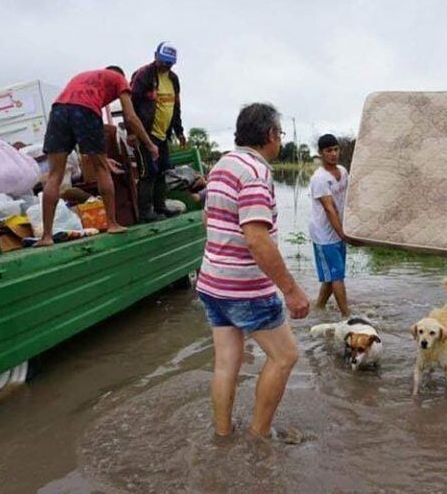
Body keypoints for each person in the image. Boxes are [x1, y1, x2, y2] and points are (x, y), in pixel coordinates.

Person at [196, 103, 310, 439]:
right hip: (244, 289)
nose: (280, 141)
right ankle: (259, 438)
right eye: (280, 134)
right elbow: (257, 239)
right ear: (271, 135)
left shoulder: (221, 166)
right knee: (285, 356)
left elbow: (208, 218)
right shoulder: (256, 172)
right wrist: (291, 290)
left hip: (212, 283)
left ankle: (223, 434)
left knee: (226, 362)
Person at [37, 66, 158, 247]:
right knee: (101, 169)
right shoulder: (119, 79)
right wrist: (149, 144)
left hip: (58, 110)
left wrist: (99, 155)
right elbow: (130, 116)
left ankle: (46, 236)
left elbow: (73, 115)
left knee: (55, 175)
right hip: (85, 111)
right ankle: (112, 224)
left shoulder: (82, 75)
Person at [130, 42, 186, 222]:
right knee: (149, 172)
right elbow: (129, 104)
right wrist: (132, 132)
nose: (165, 65)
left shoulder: (173, 80)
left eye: (169, 63)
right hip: (145, 133)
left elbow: (176, 107)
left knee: (162, 170)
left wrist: (179, 131)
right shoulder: (143, 75)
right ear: (155, 56)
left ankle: (160, 208)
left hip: (163, 133)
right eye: (163, 61)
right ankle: (145, 212)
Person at [309, 133, 351, 317]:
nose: (333, 154)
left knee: (332, 273)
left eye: (335, 149)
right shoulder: (319, 178)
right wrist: (342, 233)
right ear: (321, 153)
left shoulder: (343, 171)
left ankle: (318, 308)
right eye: (328, 151)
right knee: (336, 275)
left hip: (339, 229)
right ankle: (347, 316)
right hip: (324, 235)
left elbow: (348, 199)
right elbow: (329, 209)